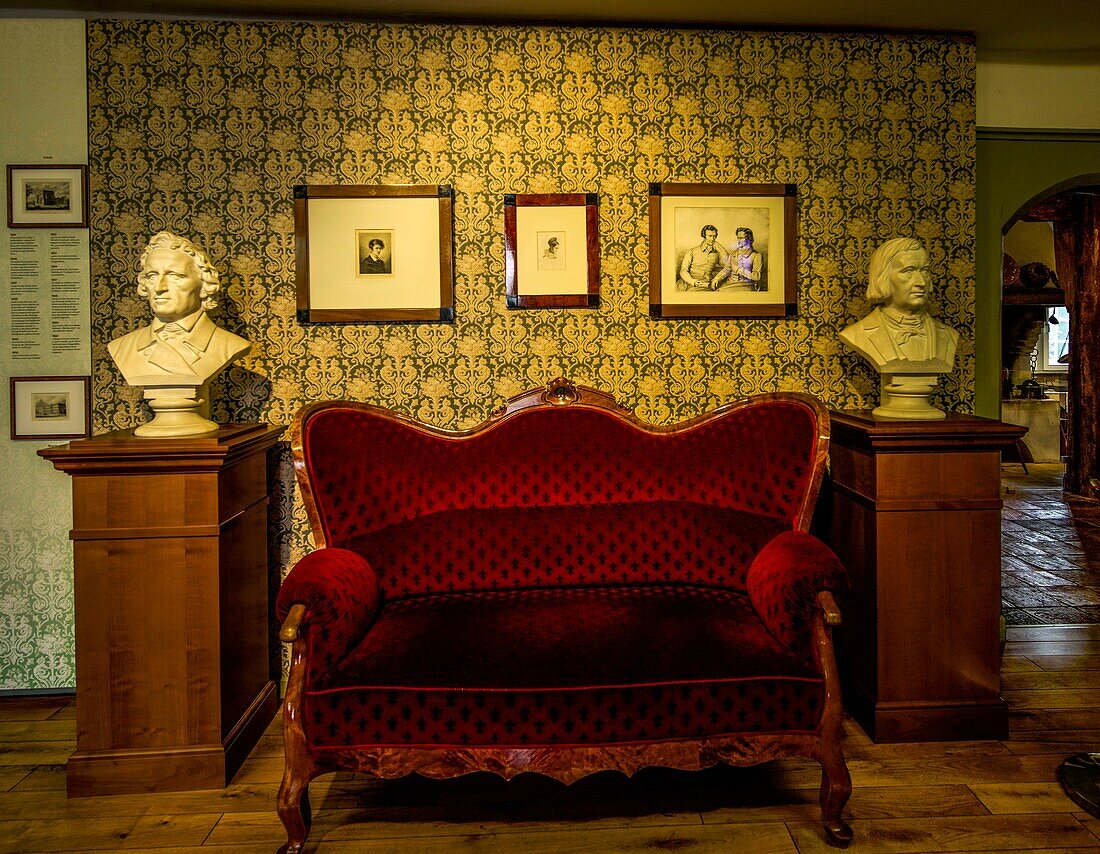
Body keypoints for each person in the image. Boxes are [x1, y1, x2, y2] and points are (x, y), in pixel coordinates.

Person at [107, 231, 251, 386]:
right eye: (152, 276)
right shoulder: (123, 347)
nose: (159, 287)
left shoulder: (228, 346)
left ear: (204, 285)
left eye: (175, 276)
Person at [839, 237, 959, 369]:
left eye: (924, 271)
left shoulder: (949, 335)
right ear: (882, 277)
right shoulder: (857, 334)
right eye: (908, 271)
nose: (922, 282)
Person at [678, 225, 729, 290]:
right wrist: (693, 281)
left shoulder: (718, 252)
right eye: (710, 236)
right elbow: (683, 271)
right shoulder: (692, 251)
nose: (712, 239)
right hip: (690, 283)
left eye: (714, 236)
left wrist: (717, 279)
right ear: (704, 236)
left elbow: (728, 267)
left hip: (707, 285)